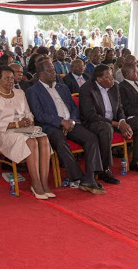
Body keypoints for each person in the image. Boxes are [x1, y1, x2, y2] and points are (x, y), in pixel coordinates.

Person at [26, 59, 105, 194]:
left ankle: (89, 178)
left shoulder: (62, 87)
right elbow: (39, 114)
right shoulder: (33, 91)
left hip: (70, 123)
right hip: (50, 127)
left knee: (91, 138)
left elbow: (74, 107)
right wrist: (61, 122)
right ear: (40, 73)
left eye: (53, 69)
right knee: (61, 142)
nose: (54, 72)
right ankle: (79, 178)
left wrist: (72, 121)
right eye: (50, 70)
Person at [0, 66, 53, 199]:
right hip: (4, 132)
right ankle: (36, 184)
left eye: (12, 78)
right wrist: (17, 124)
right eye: (7, 78)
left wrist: (28, 120)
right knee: (31, 141)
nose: (11, 81)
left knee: (44, 139)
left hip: (24, 128)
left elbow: (29, 113)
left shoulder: (20, 93)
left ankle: (44, 183)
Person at [79, 64, 138, 181]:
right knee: (106, 128)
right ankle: (104, 169)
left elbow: (120, 108)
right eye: (109, 77)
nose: (113, 79)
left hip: (115, 122)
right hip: (94, 123)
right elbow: (91, 116)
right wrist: (117, 124)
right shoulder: (86, 89)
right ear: (99, 79)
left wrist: (122, 121)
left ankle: (136, 161)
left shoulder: (115, 86)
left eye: (112, 76)